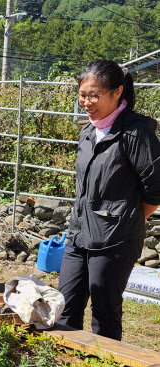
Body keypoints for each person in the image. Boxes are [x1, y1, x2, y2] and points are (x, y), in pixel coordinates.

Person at [57, 60, 160, 341]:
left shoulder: (136, 133)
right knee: (63, 307)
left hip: (115, 239)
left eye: (94, 95)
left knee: (104, 314)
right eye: (82, 95)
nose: (87, 102)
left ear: (117, 92)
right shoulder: (88, 131)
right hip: (78, 234)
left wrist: (127, 220)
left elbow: (155, 190)